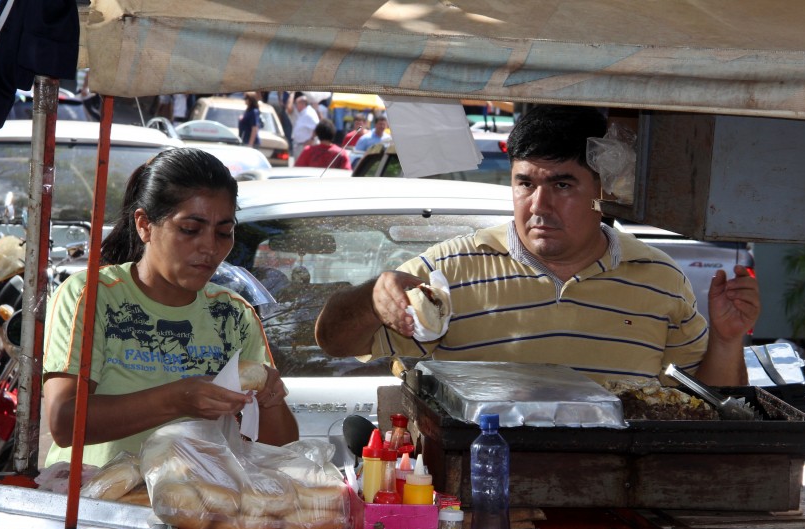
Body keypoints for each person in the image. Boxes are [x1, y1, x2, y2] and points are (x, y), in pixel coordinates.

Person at [314, 105, 759, 387]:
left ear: (602, 189)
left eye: (562, 184)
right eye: (524, 183)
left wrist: (726, 339)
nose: (538, 205)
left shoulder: (661, 280)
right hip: (478, 510)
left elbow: (710, 399)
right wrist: (374, 296)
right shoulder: (448, 271)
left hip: (618, 514)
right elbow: (332, 340)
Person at [43, 148, 299, 468]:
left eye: (224, 232)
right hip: (99, 504)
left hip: (201, 509)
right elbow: (64, 422)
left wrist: (271, 399)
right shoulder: (91, 296)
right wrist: (177, 399)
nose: (210, 247)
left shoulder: (234, 315)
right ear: (145, 225)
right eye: (190, 230)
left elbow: (282, 450)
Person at [290, 95, 320, 160]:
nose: (296, 106)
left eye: (296, 104)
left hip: (305, 146)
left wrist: (311, 139)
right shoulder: (303, 113)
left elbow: (318, 127)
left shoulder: (309, 113)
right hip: (299, 146)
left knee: (302, 168)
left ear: (302, 104)